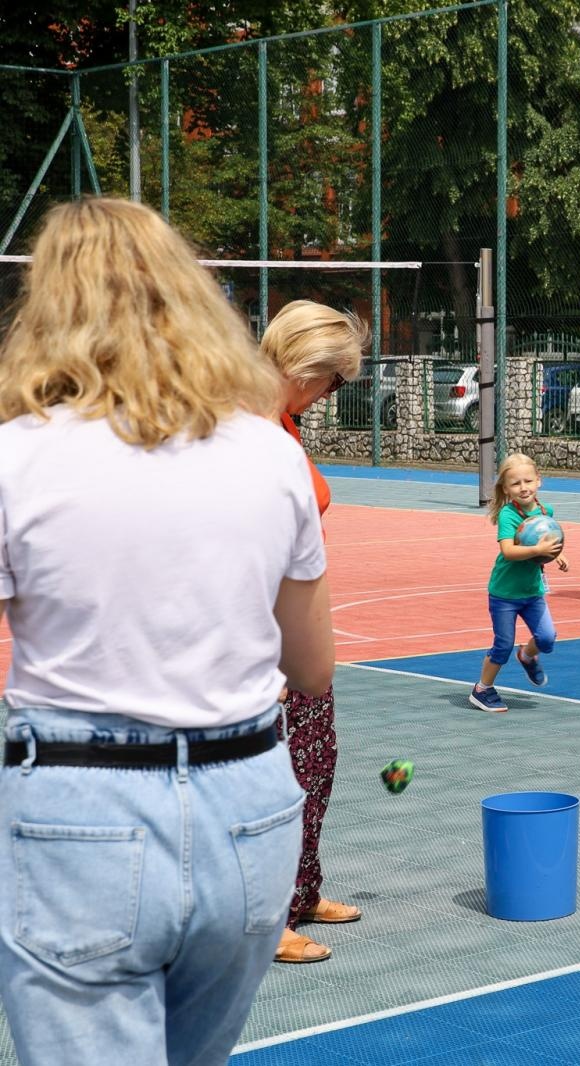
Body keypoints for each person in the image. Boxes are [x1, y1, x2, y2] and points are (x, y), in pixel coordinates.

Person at [0, 198, 332, 1065]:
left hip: (81, 808)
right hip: (249, 810)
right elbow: (313, 666)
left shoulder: (17, 457)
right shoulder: (269, 454)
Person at [258, 300, 368, 964]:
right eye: (334, 380)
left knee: (313, 766)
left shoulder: (283, 423)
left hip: (293, 633)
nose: (332, 395)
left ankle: (300, 894)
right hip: (260, 635)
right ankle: (264, 919)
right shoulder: (247, 428)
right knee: (272, 782)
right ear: (308, 367)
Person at [470, 454, 567, 713]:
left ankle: (527, 655)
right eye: (516, 484)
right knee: (502, 645)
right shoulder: (508, 515)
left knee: (547, 638)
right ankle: (482, 689)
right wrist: (539, 548)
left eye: (528, 481)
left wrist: (556, 554)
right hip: (505, 593)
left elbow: (548, 541)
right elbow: (509, 552)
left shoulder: (546, 512)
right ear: (506, 488)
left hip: (532, 591)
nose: (523, 487)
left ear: (539, 481)